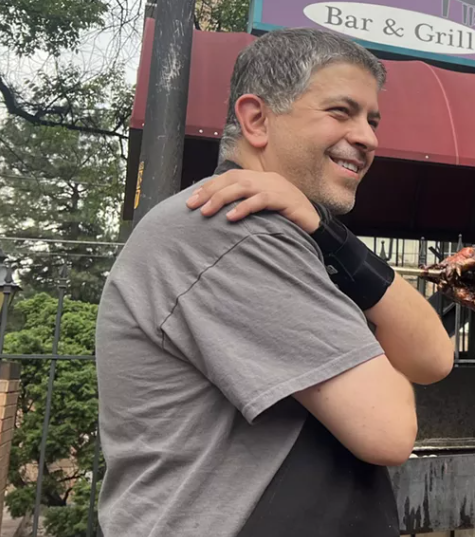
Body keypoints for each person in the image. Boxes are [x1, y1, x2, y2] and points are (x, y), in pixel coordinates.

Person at [95, 28, 454, 537]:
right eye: (341, 111)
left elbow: (434, 357)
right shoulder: (227, 228)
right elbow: (389, 429)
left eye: (372, 120)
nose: (369, 137)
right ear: (257, 119)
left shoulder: (294, 234)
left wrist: (328, 232)